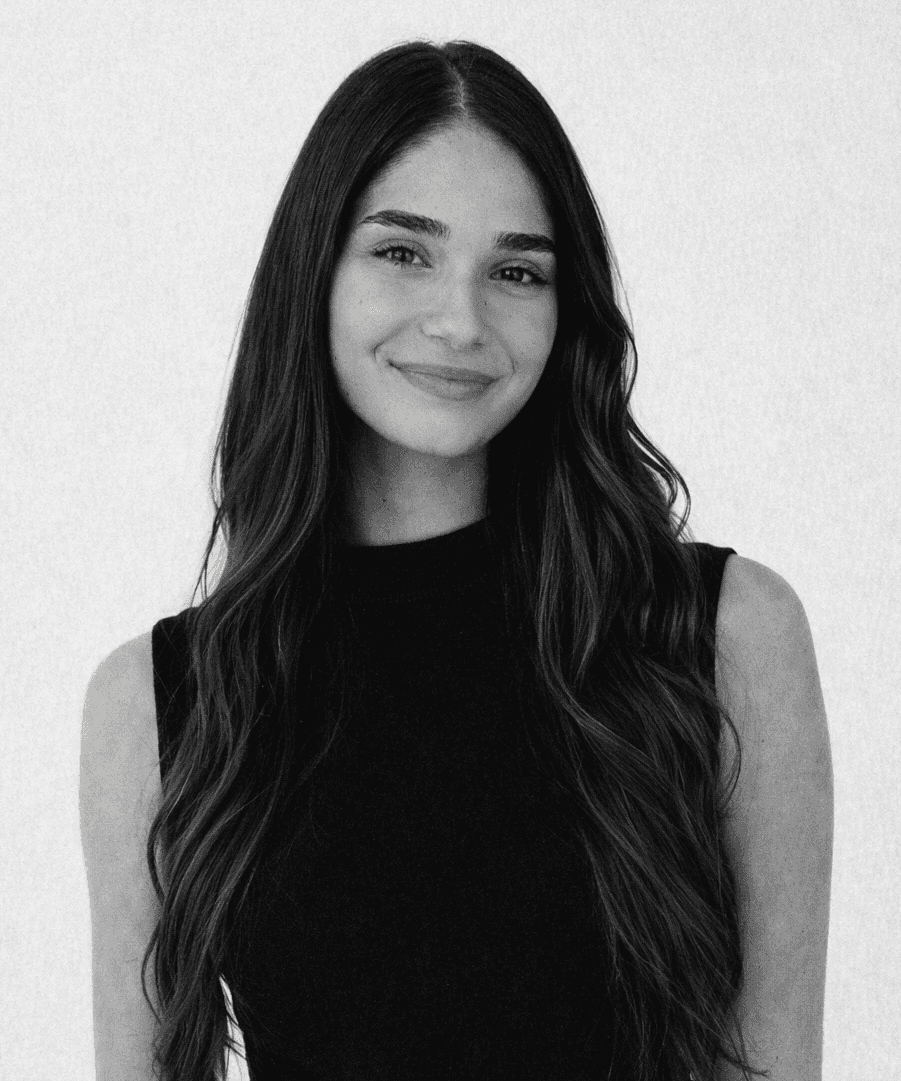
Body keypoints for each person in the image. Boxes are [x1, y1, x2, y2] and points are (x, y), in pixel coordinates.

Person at [79, 40, 832, 1081]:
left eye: (516, 270)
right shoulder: (160, 704)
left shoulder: (722, 636)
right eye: (403, 251)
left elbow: (777, 1063)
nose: (460, 319)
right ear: (315, 273)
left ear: (565, 313)